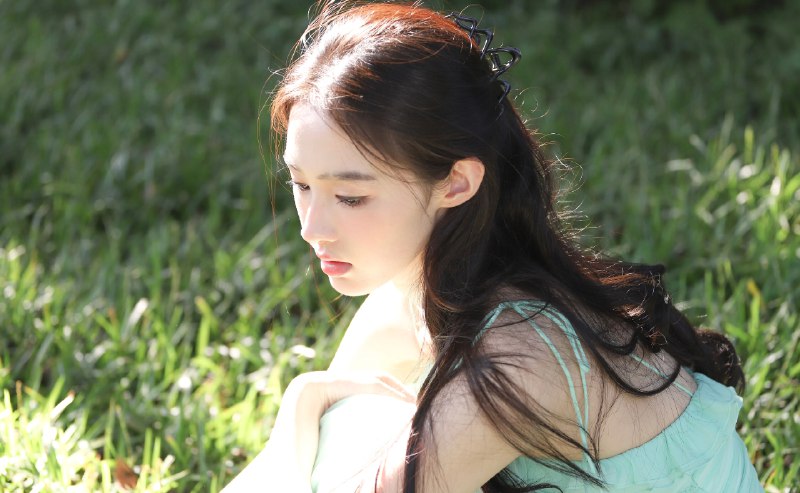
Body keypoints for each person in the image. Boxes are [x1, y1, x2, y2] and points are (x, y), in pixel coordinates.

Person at [224, 1, 764, 491]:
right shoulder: (411, 299)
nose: (311, 228)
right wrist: (304, 402)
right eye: (301, 184)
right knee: (346, 419)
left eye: (351, 197)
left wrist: (301, 405)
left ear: (456, 182)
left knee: (345, 421)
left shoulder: (518, 357)